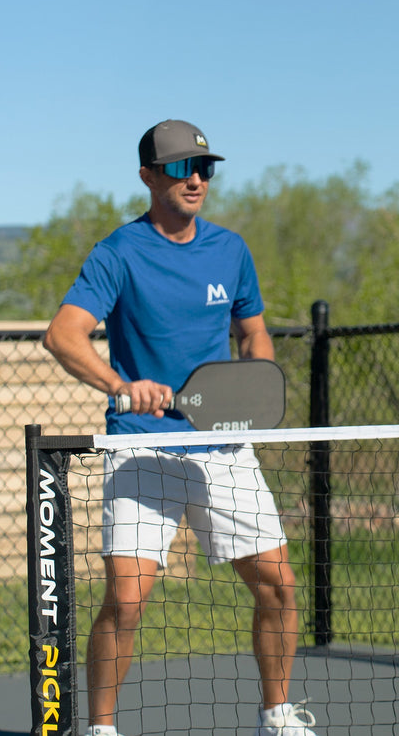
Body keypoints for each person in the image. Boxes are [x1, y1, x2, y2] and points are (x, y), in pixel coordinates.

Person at [43, 120, 318, 736]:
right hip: (142, 445)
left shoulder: (231, 251)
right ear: (148, 176)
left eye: (203, 169)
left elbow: (252, 331)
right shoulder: (118, 253)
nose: (194, 179)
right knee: (127, 599)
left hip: (222, 446)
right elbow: (63, 335)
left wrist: (256, 376)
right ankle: (102, 730)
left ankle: (277, 716)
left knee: (278, 586)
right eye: (178, 169)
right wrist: (120, 385)